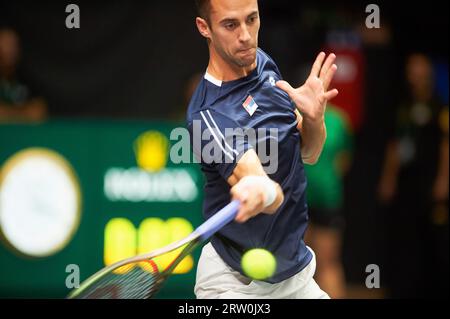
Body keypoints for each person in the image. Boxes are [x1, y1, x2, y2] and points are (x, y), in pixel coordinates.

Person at [187, 0, 338, 298]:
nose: (245, 35)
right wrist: (260, 188)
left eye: (252, 19)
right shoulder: (207, 116)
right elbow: (271, 197)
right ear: (205, 27)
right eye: (230, 25)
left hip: (295, 273)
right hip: (234, 283)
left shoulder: (264, 65)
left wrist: (313, 120)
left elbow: (310, 153)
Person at [378, 53, 449, 298]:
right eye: (411, 72)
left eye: (420, 72)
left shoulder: (439, 106)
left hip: (431, 181)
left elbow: (445, 146)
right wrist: (388, 179)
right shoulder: (403, 106)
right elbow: (395, 145)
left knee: (434, 237)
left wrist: (443, 180)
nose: (415, 77)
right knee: (405, 238)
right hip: (407, 183)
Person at [304, 104, 353, 299]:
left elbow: (344, 159)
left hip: (314, 199)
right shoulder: (340, 119)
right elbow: (344, 160)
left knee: (325, 264)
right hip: (306, 199)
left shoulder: (339, 120)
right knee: (316, 265)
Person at [0, 27, 47, 122]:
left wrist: (8, 113)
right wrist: (23, 112)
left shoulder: (26, 77)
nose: (9, 51)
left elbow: (38, 112)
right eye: (5, 45)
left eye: (12, 45)